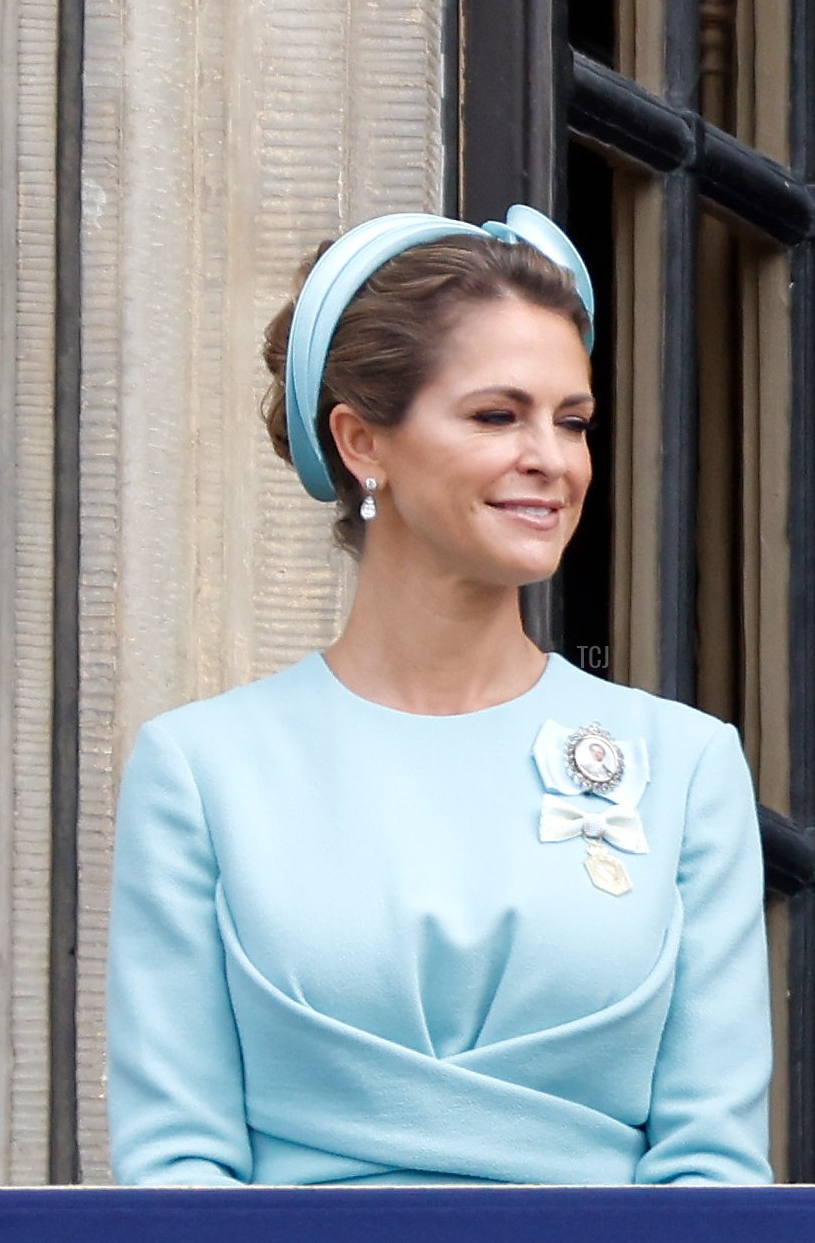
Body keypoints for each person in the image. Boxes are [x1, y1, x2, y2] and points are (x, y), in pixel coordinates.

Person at [107, 205, 772, 1187]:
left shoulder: (683, 764)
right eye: (498, 415)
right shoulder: (202, 770)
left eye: (574, 420)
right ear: (362, 441)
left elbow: (712, 1173)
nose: (552, 457)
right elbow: (176, 1169)